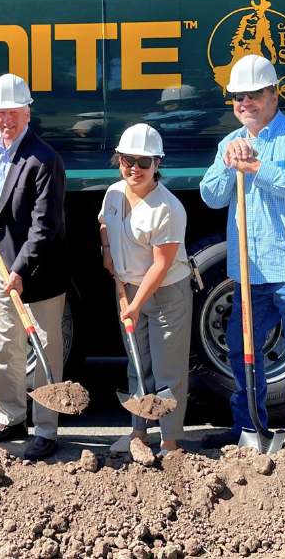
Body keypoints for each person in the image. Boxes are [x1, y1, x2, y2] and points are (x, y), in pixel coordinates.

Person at [199, 54, 285, 448]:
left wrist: (259, 167)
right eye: (238, 97)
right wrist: (228, 166)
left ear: (274, 94)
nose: (245, 103)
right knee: (243, 352)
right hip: (251, 272)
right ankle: (248, 430)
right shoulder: (230, 142)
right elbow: (210, 197)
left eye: (254, 95)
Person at [0, 73, 70, 461]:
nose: (6, 120)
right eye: (0, 113)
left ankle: (46, 430)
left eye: (13, 113)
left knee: (45, 351)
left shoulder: (45, 160)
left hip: (39, 271)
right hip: (2, 264)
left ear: (28, 113)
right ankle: (10, 417)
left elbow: (45, 226)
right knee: (7, 346)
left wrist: (21, 270)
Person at [99, 123, 192, 457]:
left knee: (168, 368)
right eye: (127, 160)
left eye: (143, 161)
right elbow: (104, 224)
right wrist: (107, 252)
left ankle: (170, 442)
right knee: (137, 363)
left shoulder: (166, 209)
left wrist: (136, 304)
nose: (134, 168)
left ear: (157, 164)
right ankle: (139, 435)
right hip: (127, 289)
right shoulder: (113, 193)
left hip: (165, 293)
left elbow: (161, 264)